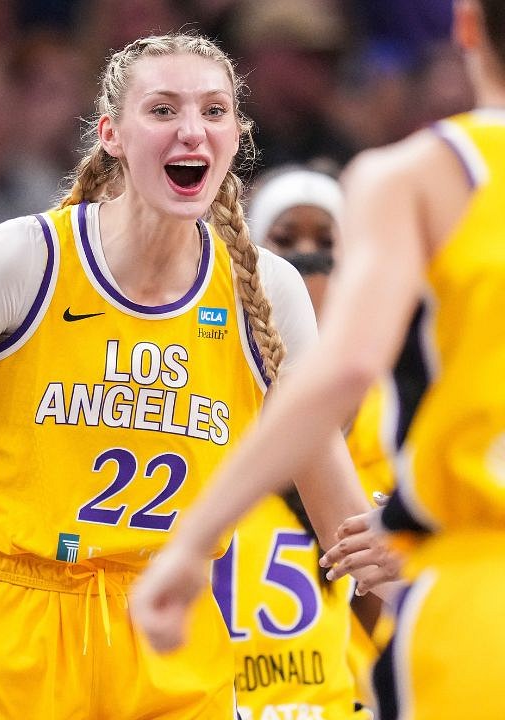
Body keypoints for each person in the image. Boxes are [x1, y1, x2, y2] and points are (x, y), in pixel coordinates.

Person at [0, 33, 380, 720]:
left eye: (214, 111)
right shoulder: (22, 260)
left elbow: (344, 518)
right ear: (112, 135)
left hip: (168, 632)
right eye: (163, 110)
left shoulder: (268, 292)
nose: (192, 129)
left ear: (235, 136)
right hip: (8, 626)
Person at [132, 1, 505, 718]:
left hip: (474, 593)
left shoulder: (416, 173)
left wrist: (195, 540)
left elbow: (342, 368)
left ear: (466, 24)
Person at [217, 167, 374, 720]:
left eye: (326, 243)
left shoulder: (389, 408)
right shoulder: (214, 383)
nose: (307, 258)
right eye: (286, 241)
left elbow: (382, 588)